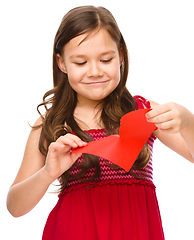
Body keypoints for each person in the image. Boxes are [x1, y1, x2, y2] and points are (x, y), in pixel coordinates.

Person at [6, 6, 194, 240]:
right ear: (62, 63)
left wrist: (187, 122)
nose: (94, 71)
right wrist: (47, 173)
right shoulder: (51, 123)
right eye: (80, 63)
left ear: (121, 56)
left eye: (105, 59)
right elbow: (15, 207)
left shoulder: (144, 111)